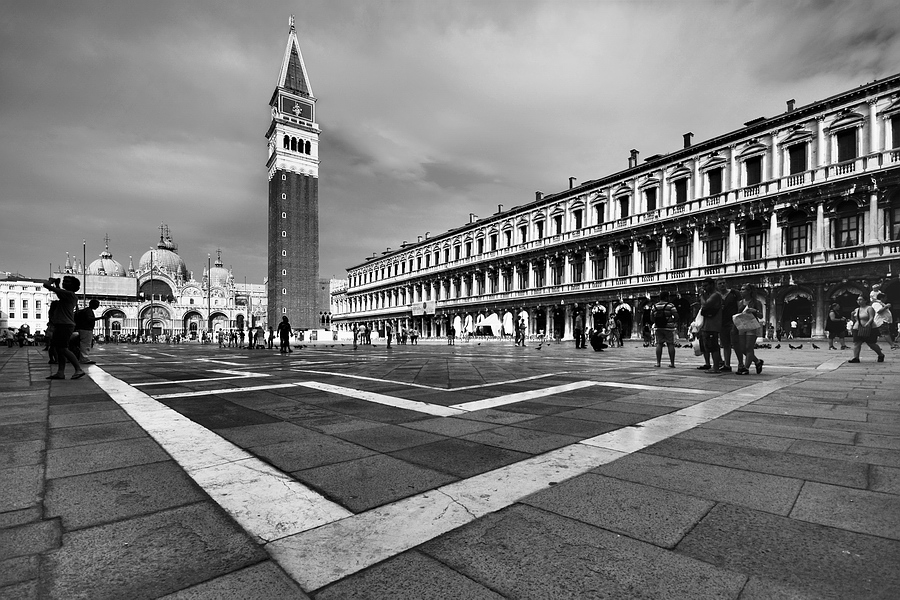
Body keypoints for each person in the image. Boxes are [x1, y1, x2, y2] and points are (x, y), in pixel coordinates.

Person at [42, 276, 85, 380]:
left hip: (65, 325)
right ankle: (60, 372)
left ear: (74, 285)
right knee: (59, 349)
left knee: (62, 348)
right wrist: (57, 285)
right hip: (62, 324)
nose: (65, 283)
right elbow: (59, 293)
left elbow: (46, 285)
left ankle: (78, 369)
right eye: (64, 281)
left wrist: (51, 281)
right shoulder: (67, 295)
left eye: (67, 282)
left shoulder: (69, 294)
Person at [732, 283, 764, 375]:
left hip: (752, 326)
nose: (741, 291)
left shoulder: (756, 302)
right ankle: (757, 361)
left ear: (749, 291)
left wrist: (755, 311)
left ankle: (746, 368)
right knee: (742, 349)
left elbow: (761, 316)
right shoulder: (740, 302)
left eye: (744, 289)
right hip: (742, 325)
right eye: (741, 289)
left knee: (749, 347)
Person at [848, 294, 885, 363]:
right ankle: (856, 357)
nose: (859, 301)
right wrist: (852, 315)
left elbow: (871, 317)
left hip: (869, 328)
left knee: (871, 343)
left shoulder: (869, 308)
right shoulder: (857, 309)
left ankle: (880, 354)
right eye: (858, 300)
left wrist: (868, 323)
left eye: (860, 299)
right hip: (857, 327)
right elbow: (854, 320)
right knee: (857, 343)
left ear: (865, 301)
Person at [698, 277, 724, 373]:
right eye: (703, 286)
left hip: (713, 325)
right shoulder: (710, 295)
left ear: (712, 285)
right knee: (709, 346)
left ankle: (716, 367)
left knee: (713, 347)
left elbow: (705, 305)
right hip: (708, 324)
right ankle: (715, 365)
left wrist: (701, 295)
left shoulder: (715, 295)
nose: (704, 288)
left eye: (706, 286)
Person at [716, 279, 739, 372]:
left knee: (736, 344)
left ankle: (742, 364)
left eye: (723, 283)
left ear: (726, 284)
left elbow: (740, 306)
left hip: (733, 322)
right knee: (725, 344)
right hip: (722, 322)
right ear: (717, 286)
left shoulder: (734, 293)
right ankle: (727, 365)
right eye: (719, 283)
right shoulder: (717, 296)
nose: (722, 285)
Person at [650, 291, 678, 368]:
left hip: (658, 327)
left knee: (659, 344)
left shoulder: (654, 306)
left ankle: (658, 363)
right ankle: (672, 363)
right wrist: (672, 321)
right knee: (670, 344)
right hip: (668, 327)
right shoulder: (670, 305)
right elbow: (676, 315)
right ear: (666, 297)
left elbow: (651, 318)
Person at [870, 286, 899, 350]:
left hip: (884, 321)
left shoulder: (881, 303)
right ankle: (892, 345)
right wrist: (886, 307)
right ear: (882, 298)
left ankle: (875, 346)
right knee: (886, 333)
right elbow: (879, 311)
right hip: (881, 321)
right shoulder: (876, 304)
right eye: (885, 297)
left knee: (880, 334)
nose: (886, 299)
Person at [74, 299, 100, 364]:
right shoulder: (88, 311)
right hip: (86, 329)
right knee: (85, 344)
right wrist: (101, 318)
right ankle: (84, 359)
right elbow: (89, 319)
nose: (97, 306)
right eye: (97, 305)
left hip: (81, 329)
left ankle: (79, 358)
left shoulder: (85, 310)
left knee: (81, 344)